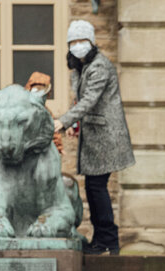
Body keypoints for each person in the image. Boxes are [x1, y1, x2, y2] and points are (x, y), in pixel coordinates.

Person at [53, 19, 134, 256]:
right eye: (73, 41)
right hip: (94, 136)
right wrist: (74, 123)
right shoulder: (80, 68)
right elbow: (80, 99)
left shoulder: (99, 67)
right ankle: (103, 239)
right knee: (93, 188)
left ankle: (107, 240)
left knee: (97, 188)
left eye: (82, 40)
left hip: (106, 136)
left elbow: (90, 100)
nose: (78, 45)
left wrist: (64, 120)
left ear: (91, 42)